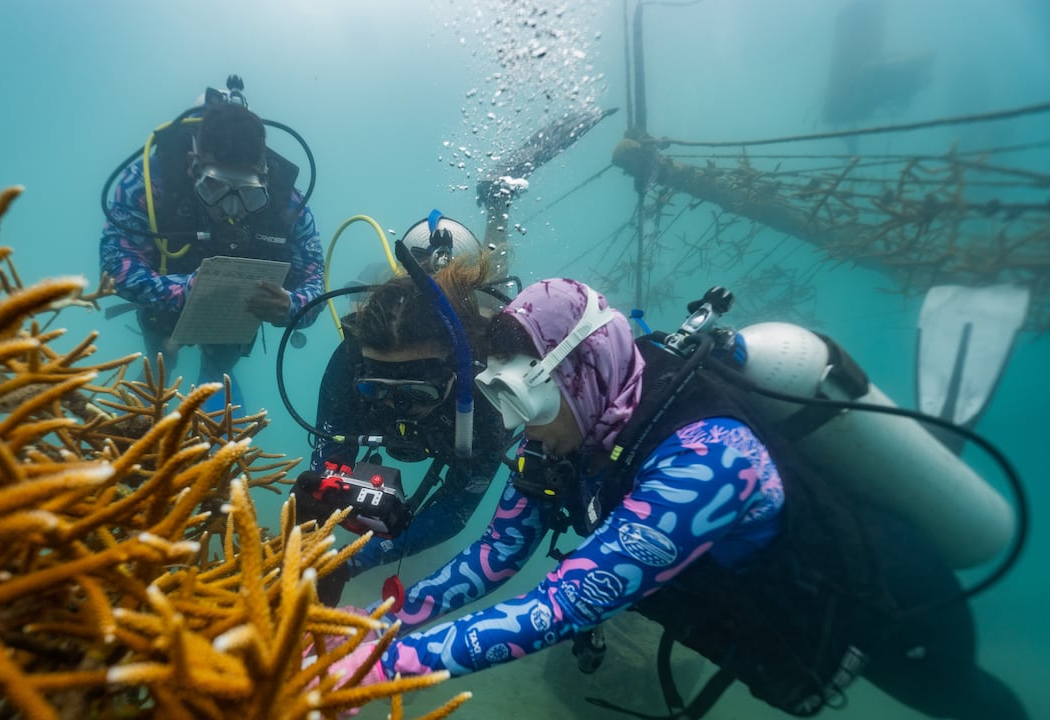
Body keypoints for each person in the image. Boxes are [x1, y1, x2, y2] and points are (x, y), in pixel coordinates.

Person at [326, 278, 1028, 719]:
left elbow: (566, 602)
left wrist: (370, 669)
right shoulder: (562, 434)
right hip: (795, 621)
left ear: (578, 372)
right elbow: (496, 554)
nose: (513, 422)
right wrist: (381, 621)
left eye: (523, 396)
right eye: (496, 396)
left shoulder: (712, 457)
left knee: (962, 703)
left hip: (894, 609)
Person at [290, 233, 512, 606]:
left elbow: (456, 508)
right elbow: (326, 466)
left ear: (457, 373)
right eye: (375, 390)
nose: (395, 408)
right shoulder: (348, 364)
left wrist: (351, 563)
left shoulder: (487, 395)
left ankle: (496, 220)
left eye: (416, 394)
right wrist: (312, 527)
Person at [99, 88, 323, 406]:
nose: (230, 209)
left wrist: (291, 305)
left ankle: (214, 393)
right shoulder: (148, 182)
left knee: (220, 369)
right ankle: (151, 399)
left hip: (233, 323)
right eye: (215, 187)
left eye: (248, 193)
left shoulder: (289, 200)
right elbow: (114, 263)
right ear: (194, 164)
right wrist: (184, 292)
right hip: (163, 312)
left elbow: (316, 279)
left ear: (265, 173)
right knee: (161, 360)